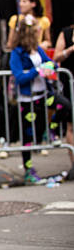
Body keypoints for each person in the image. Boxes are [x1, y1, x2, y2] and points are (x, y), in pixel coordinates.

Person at [10, 14, 73, 184]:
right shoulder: (17, 53)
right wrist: (37, 71)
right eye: (36, 30)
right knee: (28, 137)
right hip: (27, 99)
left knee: (65, 106)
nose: (39, 33)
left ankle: (50, 130)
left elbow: (51, 63)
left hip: (44, 95)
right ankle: (28, 170)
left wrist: (48, 66)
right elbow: (19, 77)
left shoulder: (38, 50)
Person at [53, 24, 74, 180]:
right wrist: (72, 49)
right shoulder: (66, 33)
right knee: (71, 125)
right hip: (70, 83)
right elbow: (56, 57)